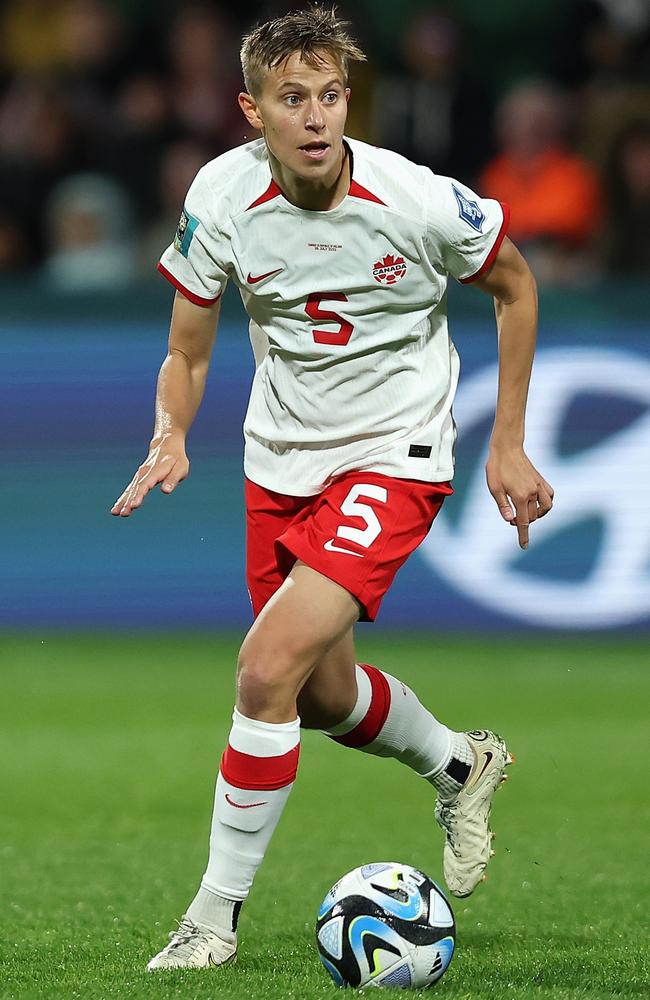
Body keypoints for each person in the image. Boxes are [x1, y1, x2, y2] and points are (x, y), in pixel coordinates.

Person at [111, 5, 553, 972]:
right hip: (280, 459)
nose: (317, 118)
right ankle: (458, 761)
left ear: (349, 100)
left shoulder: (416, 198)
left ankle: (210, 921)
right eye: (293, 98)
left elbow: (516, 287)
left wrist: (507, 443)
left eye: (332, 95)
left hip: (394, 453)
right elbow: (188, 350)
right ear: (252, 109)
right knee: (314, 695)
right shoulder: (221, 196)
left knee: (263, 669)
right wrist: (170, 430)